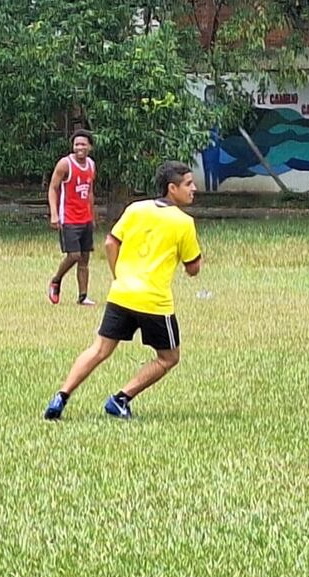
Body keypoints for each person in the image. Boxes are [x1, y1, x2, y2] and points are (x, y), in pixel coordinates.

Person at [44, 160, 202, 421]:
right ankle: (120, 399)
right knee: (168, 357)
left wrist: (120, 276)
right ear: (171, 188)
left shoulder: (136, 209)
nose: (193, 189)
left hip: (121, 294)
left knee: (99, 350)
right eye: (188, 184)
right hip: (154, 301)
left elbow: (110, 242)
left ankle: (61, 396)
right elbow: (193, 268)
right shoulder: (183, 222)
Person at [47, 129, 98, 306]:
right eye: (76, 144)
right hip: (68, 218)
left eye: (83, 144)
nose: (79, 148)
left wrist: (92, 215)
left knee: (84, 258)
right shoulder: (65, 164)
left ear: (89, 147)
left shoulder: (91, 165)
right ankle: (56, 280)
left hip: (85, 218)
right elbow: (53, 188)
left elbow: (90, 191)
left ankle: (83, 296)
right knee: (74, 255)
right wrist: (54, 214)